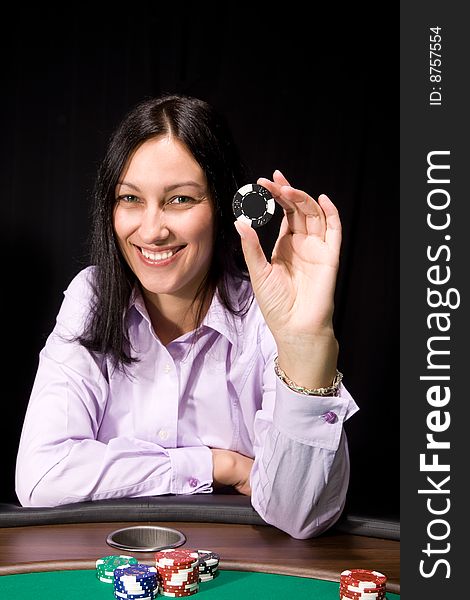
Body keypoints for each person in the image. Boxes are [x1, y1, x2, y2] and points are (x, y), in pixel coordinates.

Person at [15, 93, 359, 539]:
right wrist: (218, 464)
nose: (152, 229)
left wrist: (307, 346)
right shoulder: (92, 296)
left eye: (179, 199)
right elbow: (42, 478)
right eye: (130, 198)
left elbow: (300, 515)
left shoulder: (264, 315)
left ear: (222, 208)